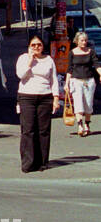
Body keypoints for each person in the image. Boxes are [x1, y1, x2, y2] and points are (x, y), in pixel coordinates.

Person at [16, 35, 60, 172]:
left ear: (43, 46)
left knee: (43, 131)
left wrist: (56, 99)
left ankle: (42, 162)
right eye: (33, 45)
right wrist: (30, 60)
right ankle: (28, 163)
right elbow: (21, 75)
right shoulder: (23, 58)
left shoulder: (48, 60)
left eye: (39, 45)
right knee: (28, 130)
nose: (36, 47)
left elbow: (54, 80)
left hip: (45, 97)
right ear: (29, 46)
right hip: (27, 97)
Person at [65, 30, 101, 136]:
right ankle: (80, 125)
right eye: (82, 40)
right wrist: (66, 84)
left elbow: (97, 64)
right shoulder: (72, 53)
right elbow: (69, 69)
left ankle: (87, 124)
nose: (84, 42)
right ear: (77, 41)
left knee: (88, 105)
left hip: (89, 80)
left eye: (85, 40)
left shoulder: (91, 52)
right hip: (76, 81)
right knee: (78, 104)